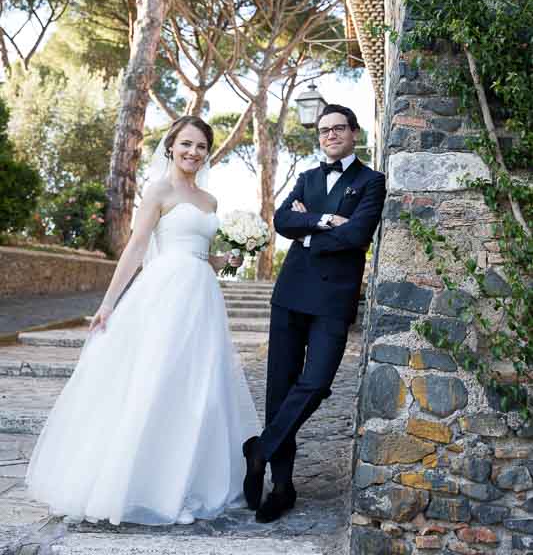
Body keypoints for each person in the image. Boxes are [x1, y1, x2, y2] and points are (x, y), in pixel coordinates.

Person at [26, 116, 260, 526]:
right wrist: (108, 303)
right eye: (186, 144)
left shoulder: (210, 201)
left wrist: (227, 260)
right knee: (157, 381)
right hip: (165, 294)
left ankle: (185, 483)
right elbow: (136, 249)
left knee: (198, 388)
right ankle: (140, 486)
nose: (193, 152)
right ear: (171, 146)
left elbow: (199, 253)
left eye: (201, 146)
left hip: (202, 296)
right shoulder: (158, 190)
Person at [243, 104, 386, 523]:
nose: (330, 135)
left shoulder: (371, 181)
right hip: (290, 294)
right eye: (323, 130)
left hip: (334, 299)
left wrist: (308, 235)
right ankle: (282, 485)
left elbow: (359, 233)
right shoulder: (307, 178)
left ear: (354, 132)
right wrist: (325, 221)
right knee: (279, 389)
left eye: (338, 128)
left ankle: (260, 449)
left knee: (317, 381)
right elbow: (282, 220)